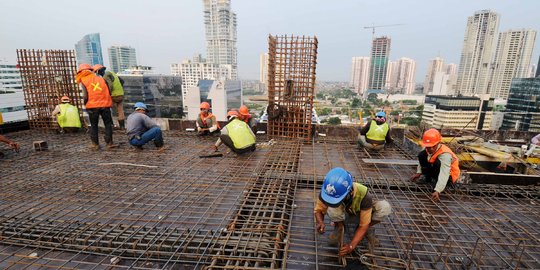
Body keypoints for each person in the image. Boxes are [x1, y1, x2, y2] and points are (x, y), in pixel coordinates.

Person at [314, 167, 392, 256]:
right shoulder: (328, 191)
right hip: (342, 215)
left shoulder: (364, 195)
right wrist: (320, 222)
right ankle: (340, 227)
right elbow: (318, 210)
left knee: (384, 208)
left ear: (350, 192)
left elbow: (364, 225)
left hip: (360, 213)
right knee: (332, 209)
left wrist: (351, 245)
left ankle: (362, 230)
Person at [410, 128, 460, 202]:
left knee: (437, 163)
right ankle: (427, 178)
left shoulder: (445, 154)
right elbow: (423, 160)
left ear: (438, 143)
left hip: (449, 176)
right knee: (422, 154)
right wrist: (418, 172)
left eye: (433, 146)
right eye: (429, 147)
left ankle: (443, 184)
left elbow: (444, 173)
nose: (431, 149)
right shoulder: (427, 148)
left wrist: (438, 190)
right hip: (437, 171)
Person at [76, 63, 115, 150]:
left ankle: (95, 144)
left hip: (93, 106)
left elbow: (85, 96)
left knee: (94, 125)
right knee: (108, 124)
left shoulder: (83, 80)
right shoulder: (100, 79)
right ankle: (109, 143)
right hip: (105, 105)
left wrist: (85, 104)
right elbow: (108, 90)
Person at [92, 64, 126, 129]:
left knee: (107, 109)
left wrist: (108, 93)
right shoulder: (112, 73)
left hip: (113, 95)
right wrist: (119, 89)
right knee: (120, 110)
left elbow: (110, 85)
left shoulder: (105, 76)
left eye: (97, 72)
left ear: (99, 71)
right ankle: (122, 126)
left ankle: (111, 125)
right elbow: (122, 81)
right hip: (120, 94)